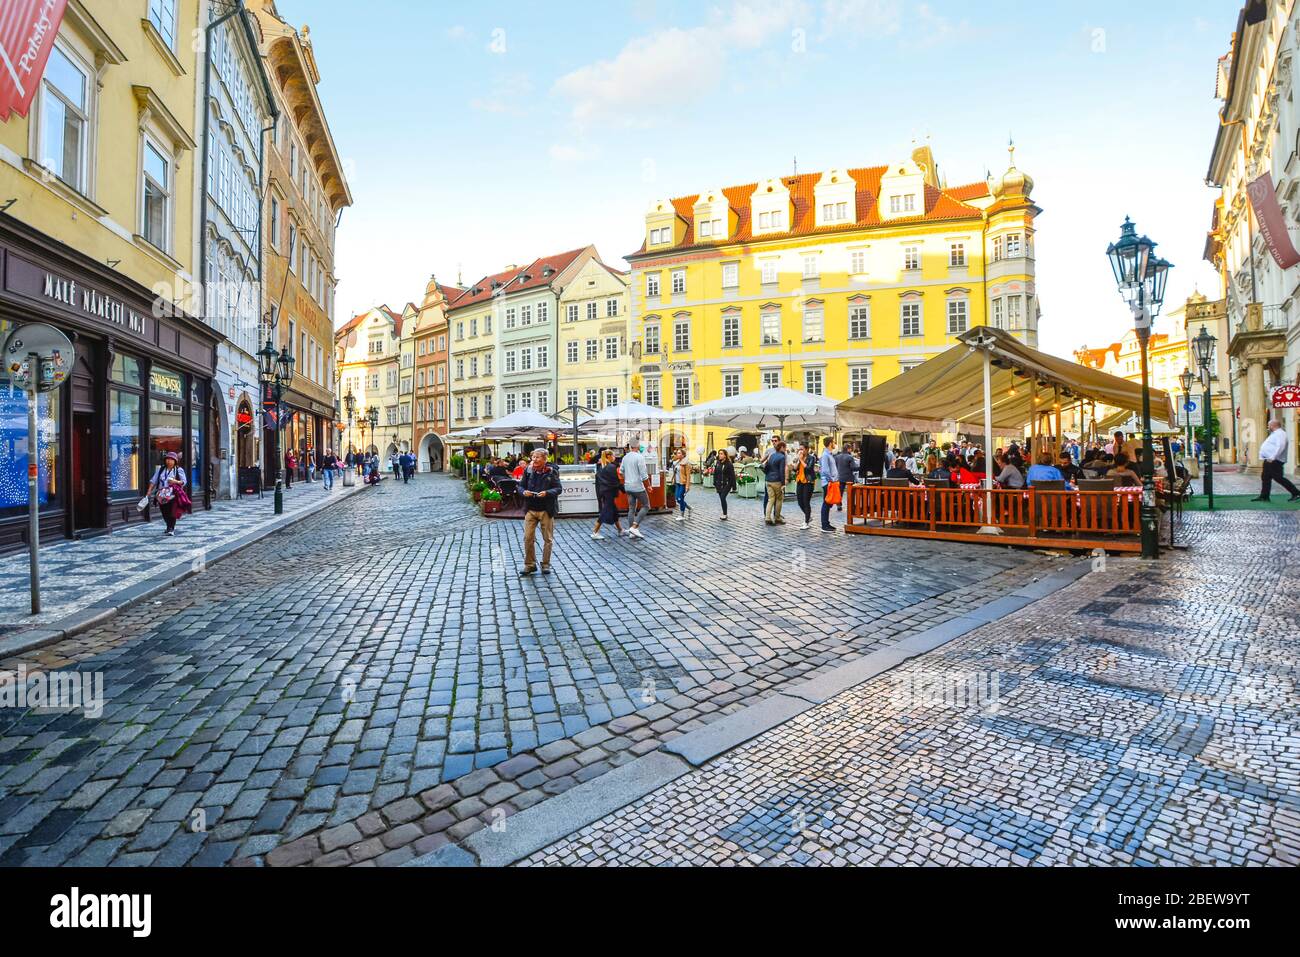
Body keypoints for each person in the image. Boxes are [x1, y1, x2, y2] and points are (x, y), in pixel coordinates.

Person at [518, 449, 562, 575]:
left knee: (547, 539)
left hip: (546, 509)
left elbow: (558, 489)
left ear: (545, 459)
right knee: (528, 538)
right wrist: (523, 492)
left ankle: (546, 564)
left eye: (537, 457)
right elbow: (520, 486)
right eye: (533, 457)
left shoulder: (552, 472)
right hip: (530, 508)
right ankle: (530, 565)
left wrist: (547, 493)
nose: (534, 459)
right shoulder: (528, 470)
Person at [1254, 419, 1300, 502]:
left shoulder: (1281, 434)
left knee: (1278, 478)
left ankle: (1296, 493)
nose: (1268, 427)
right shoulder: (1275, 434)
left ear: (1273, 425)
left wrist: (1273, 457)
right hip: (1269, 459)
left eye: (1269, 425)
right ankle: (1264, 496)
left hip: (1275, 460)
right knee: (1265, 477)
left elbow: (1281, 446)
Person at [146, 451, 190, 536]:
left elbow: (184, 482)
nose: (169, 461)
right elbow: (153, 481)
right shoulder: (161, 469)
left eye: (171, 460)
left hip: (173, 494)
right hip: (161, 494)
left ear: (175, 461)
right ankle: (168, 526)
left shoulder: (178, 470)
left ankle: (171, 528)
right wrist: (149, 491)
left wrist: (175, 481)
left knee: (171, 511)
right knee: (164, 511)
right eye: (167, 459)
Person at [621, 442, 652, 539]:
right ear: (637, 446)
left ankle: (631, 532)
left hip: (628, 486)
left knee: (631, 508)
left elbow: (621, 471)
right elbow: (644, 474)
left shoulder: (625, 457)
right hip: (637, 486)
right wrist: (649, 486)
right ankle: (634, 527)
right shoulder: (639, 457)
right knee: (646, 506)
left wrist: (627, 479)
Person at [592, 450, 623, 539]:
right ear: (609, 456)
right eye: (613, 455)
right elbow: (615, 482)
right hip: (609, 492)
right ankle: (595, 532)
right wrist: (624, 489)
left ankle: (620, 530)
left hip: (604, 492)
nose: (614, 457)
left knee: (614, 511)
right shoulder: (611, 467)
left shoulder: (602, 467)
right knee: (605, 511)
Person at [791, 443, 817, 530]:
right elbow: (795, 469)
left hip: (808, 481)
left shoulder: (811, 458)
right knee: (799, 501)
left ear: (807, 449)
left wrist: (801, 460)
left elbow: (809, 468)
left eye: (802, 449)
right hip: (800, 481)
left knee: (806, 501)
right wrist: (798, 461)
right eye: (799, 449)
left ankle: (806, 522)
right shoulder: (799, 458)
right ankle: (808, 516)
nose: (800, 451)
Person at [763, 440, 788, 526]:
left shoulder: (772, 455)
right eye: (785, 447)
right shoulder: (782, 457)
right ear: (781, 447)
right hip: (777, 481)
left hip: (768, 480)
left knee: (771, 499)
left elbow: (767, 467)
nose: (785, 449)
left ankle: (767, 517)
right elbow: (782, 471)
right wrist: (783, 483)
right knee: (779, 499)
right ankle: (777, 518)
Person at [818, 438, 840, 531]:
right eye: (834, 442)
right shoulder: (825, 455)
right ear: (830, 443)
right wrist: (832, 480)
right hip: (828, 483)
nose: (835, 444)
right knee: (826, 503)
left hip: (830, 482)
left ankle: (826, 523)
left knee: (828, 503)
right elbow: (825, 471)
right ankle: (824, 525)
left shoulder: (829, 454)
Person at [714, 449, 737, 521]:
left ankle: (725, 514)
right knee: (721, 498)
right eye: (719, 453)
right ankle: (724, 512)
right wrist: (714, 482)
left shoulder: (729, 464)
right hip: (719, 484)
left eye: (721, 454)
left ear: (725, 455)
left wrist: (734, 486)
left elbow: (732, 475)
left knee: (723, 497)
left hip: (727, 484)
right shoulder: (718, 463)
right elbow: (715, 473)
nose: (720, 455)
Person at [670, 448, 692, 522]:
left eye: (679, 453)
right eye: (677, 453)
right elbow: (675, 472)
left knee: (680, 498)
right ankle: (689, 508)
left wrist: (687, 486)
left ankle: (682, 515)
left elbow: (688, 475)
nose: (677, 454)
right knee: (677, 499)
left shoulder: (686, 463)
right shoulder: (676, 462)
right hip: (677, 483)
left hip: (683, 483)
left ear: (683, 455)